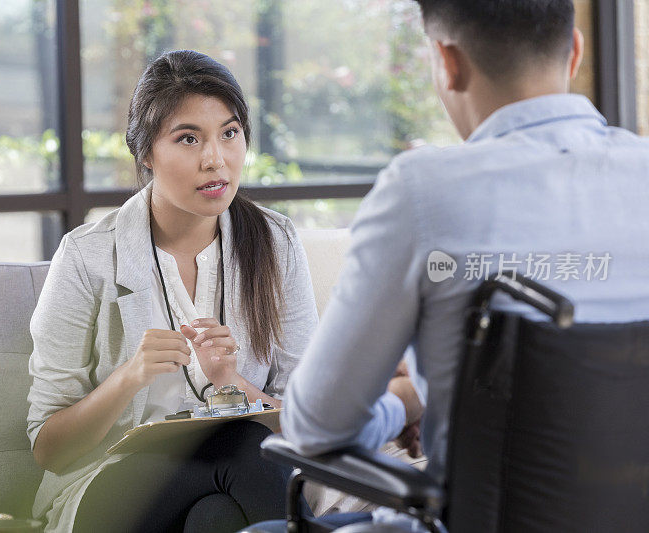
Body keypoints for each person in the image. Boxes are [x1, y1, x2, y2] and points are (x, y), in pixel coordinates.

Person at [252, 0, 649, 530]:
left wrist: (405, 399)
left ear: (447, 61)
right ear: (574, 50)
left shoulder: (423, 192)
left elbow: (315, 428)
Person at [26, 49, 421, 533]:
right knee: (243, 450)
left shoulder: (274, 244)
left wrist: (236, 388)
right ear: (146, 153)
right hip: (107, 498)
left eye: (230, 133)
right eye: (188, 138)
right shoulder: (87, 257)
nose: (216, 159)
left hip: (236, 485)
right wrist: (127, 378)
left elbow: (309, 419)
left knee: (217, 516)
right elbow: (49, 449)